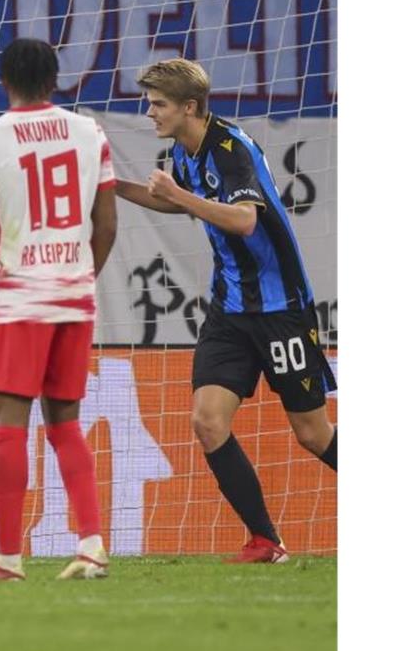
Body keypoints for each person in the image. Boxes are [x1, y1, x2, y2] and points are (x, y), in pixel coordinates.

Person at [115, 58, 337, 564]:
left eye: (159, 104)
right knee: (208, 421)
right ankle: (266, 541)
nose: (150, 112)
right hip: (231, 309)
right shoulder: (184, 149)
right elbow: (178, 201)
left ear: (189, 107)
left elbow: (242, 220)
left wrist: (176, 194)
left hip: (281, 309)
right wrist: (114, 188)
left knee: (312, 434)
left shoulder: (231, 148)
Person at [0, 38, 118, 582]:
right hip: (76, 297)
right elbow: (108, 224)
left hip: (21, 300)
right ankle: (92, 546)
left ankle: (7, 560)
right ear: (55, 80)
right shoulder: (90, 132)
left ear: (4, 80)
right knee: (66, 422)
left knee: (9, 426)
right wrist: (79, 274)